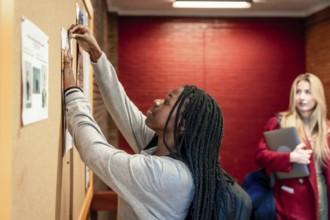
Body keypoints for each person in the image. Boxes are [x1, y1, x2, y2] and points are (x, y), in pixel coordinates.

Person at [63, 24, 237, 220]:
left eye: (167, 101)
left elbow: (94, 152)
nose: (157, 101)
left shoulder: (166, 175)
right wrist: (96, 54)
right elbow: (123, 110)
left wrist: (72, 92)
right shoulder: (162, 147)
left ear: (181, 125)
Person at [255, 73, 330, 220]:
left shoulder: (327, 127)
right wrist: (290, 157)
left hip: (322, 198)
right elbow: (260, 156)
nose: (302, 97)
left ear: (317, 96)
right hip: (292, 202)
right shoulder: (280, 121)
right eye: (298, 92)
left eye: (308, 92)